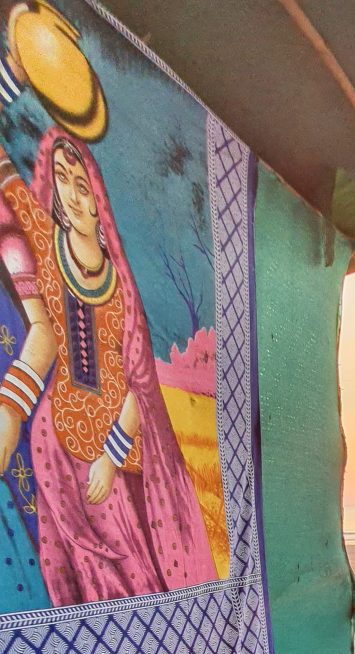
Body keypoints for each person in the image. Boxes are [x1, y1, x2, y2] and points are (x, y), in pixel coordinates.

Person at [0, 129, 216, 606]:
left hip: (114, 459)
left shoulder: (119, 282)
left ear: (98, 198)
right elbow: (8, 181)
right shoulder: (47, 245)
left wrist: (111, 456)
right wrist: (11, 408)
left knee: (134, 578)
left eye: (82, 184)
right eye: (62, 180)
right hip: (58, 452)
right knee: (85, 585)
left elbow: (140, 381)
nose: (73, 196)